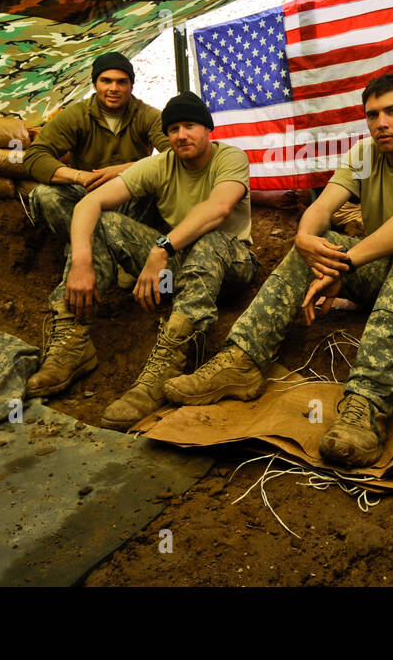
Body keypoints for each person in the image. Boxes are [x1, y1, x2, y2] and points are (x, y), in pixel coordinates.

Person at [164, 73, 393, 468]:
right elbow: (323, 207)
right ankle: (242, 360)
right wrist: (305, 239)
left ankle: (367, 404)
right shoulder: (366, 155)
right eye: (372, 115)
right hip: (388, 271)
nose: (381, 122)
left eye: (392, 112)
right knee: (317, 245)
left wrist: (345, 264)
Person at [30, 92, 257, 435]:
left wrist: (162, 247)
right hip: (179, 269)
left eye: (191, 126)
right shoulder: (159, 164)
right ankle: (73, 339)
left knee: (209, 239)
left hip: (230, 266)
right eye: (174, 128)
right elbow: (90, 204)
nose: (182, 135)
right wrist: (81, 261)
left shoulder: (230, 158)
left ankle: (172, 358)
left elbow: (218, 210)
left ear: (208, 129)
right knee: (101, 221)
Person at [22, 51, 169, 235]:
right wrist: (79, 177)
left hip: (133, 195)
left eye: (121, 82)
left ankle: (112, 241)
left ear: (131, 86)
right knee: (45, 195)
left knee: (157, 185)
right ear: (94, 84)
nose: (113, 88)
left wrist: (126, 170)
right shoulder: (76, 115)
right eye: (106, 81)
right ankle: (96, 240)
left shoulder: (149, 116)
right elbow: (35, 156)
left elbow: (174, 156)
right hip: (87, 194)